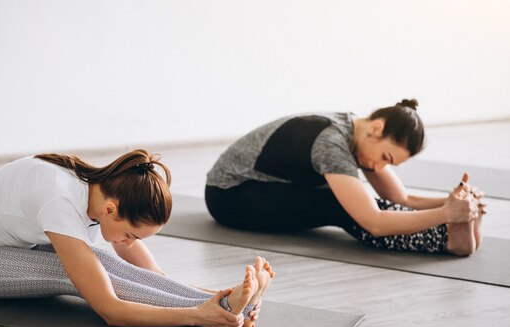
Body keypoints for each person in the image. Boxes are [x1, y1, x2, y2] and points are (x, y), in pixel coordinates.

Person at [0, 149, 274, 327]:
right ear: (111, 210)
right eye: (130, 232)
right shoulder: (61, 202)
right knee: (78, 273)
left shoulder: (100, 191)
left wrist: (218, 299)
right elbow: (110, 310)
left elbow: (134, 258)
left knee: (104, 262)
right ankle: (221, 310)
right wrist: (197, 317)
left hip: (11, 246)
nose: (129, 241)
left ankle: (227, 306)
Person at [205, 99, 487, 256]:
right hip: (230, 195)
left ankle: (455, 231)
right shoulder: (332, 143)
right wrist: (445, 215)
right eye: (386, 158)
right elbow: (373, 222)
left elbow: (401, 197)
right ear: (377, 128)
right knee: (342, 206)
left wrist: (454, 203)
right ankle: (448, 238)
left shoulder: (361, 135)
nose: (379, 167)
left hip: (267, 188)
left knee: (356, 200)